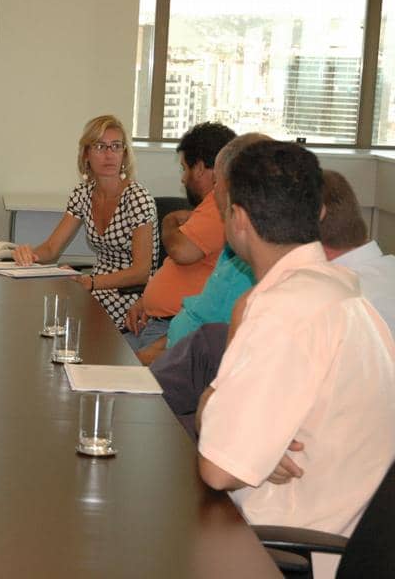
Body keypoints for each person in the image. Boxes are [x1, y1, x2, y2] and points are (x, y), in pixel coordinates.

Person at [197, 143, 395, 577]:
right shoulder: (340, 289)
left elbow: (218, 467)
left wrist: (213, 401)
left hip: (284, 543)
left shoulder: (286, 310)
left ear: (239, 220)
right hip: (333, 528)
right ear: (320, 213)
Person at [155, 168, 395, 439]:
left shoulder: (313, 301)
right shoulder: (384, 272)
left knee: (165, 432)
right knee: (210, 342)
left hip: (314, 442)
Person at [13, 114, 158, 329]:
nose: (109, 154)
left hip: (133, 297)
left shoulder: (138, 198)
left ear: (124, 154)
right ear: (86, 154)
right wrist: (30, 255)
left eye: (116, 146)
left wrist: (90, 282)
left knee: (62, 322)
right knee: (38, 311)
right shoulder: (83, 193)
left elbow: (141, 271)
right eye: (100, 146)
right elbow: (53, 248)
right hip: (96, 290)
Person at [122, 122, 236, 350]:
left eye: (185, 168)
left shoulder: (219, 205)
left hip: (172, 331)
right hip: (154, 323)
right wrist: (146, 301)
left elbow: (180, 251)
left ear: (201, 168)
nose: (183, 179)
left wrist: (168, 221)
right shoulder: (209, 207)